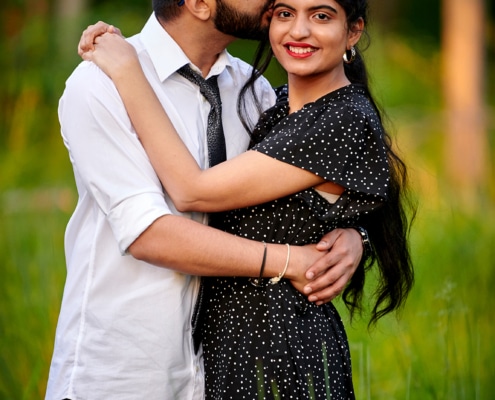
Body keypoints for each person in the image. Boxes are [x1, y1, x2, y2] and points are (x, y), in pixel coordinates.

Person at [80, 0, 415, 398]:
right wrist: (352, 235)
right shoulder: (267, 101)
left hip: (277, 343)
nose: (299, 31)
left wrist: (127, 70)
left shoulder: (337, 117)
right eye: (285, 13)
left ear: (354, 31)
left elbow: (192, 191)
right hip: (227, 346)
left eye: (321, 16)